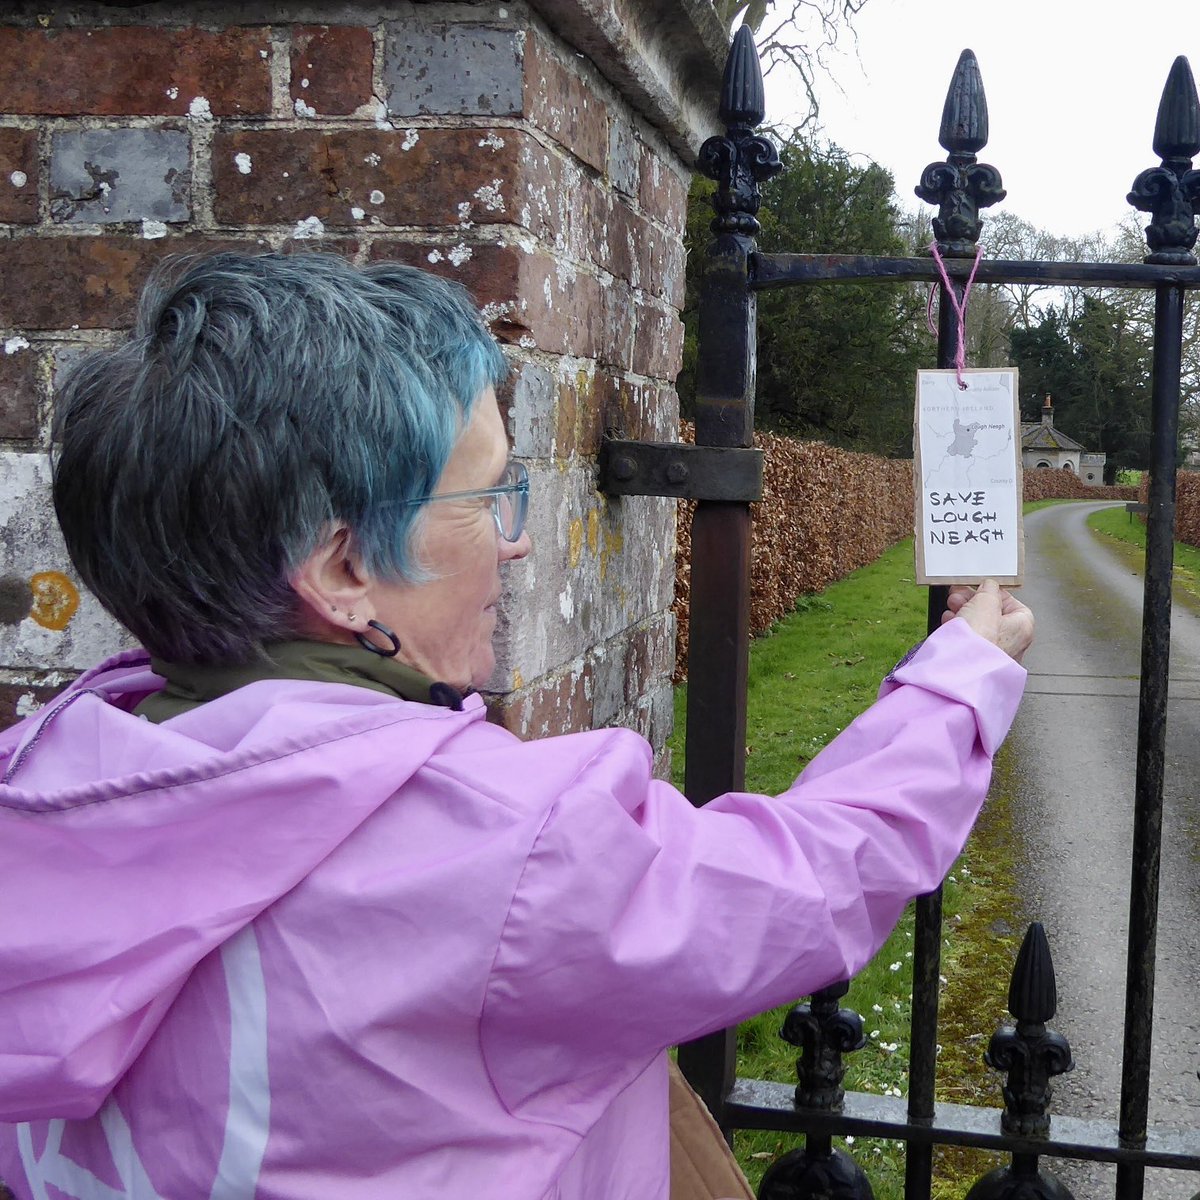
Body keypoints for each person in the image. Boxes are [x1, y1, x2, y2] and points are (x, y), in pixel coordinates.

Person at [0, 252, 1033, 1200]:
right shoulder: (494, 849)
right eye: (490, 495)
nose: (520, 541)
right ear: (346, 568)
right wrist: (961, 680)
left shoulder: (41, 801)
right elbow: (811, 883)